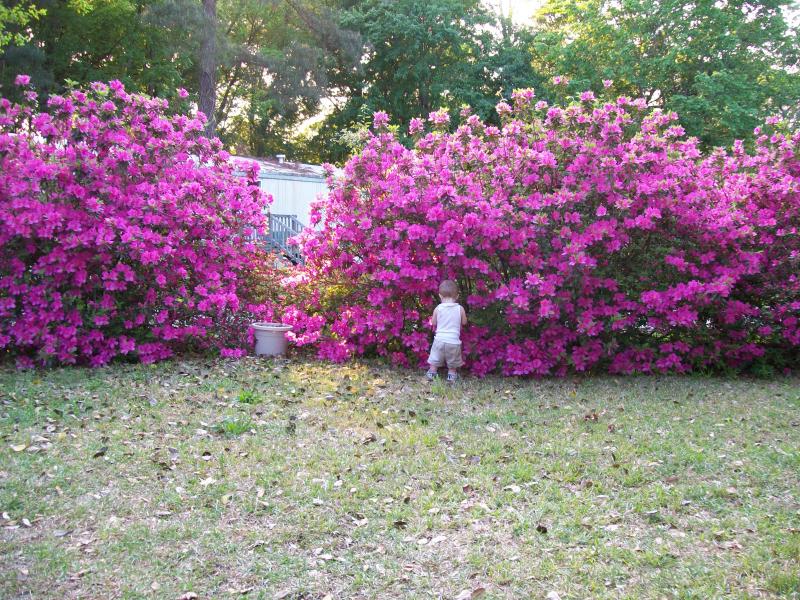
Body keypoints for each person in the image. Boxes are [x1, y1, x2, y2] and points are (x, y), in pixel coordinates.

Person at [426, 279, 467, 382]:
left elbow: (434, 322)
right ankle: (451, 375)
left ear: (440, 296)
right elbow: (464, 322)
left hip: (439, 340)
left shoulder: (438, 308)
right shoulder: (460, 309)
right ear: (457, 296)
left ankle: (432, 372)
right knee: (452, 361)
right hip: (453, 341)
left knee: (435, 358)